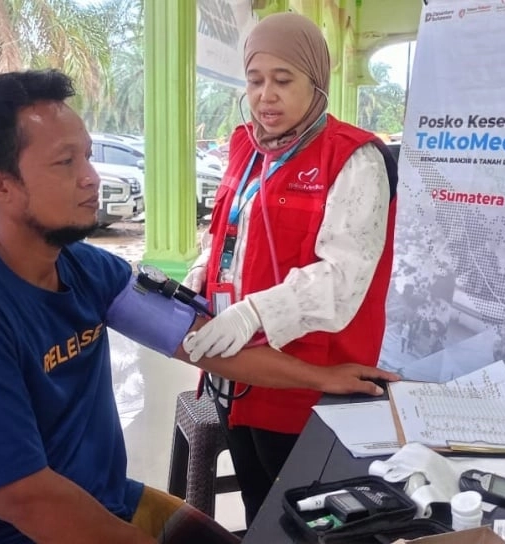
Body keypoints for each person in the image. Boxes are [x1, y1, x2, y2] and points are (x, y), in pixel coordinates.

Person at [0, 69, 399, 544]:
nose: (92, 177)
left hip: (104, 498)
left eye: (87, 155)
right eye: (67, 162)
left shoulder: (86, 268)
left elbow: (197, 341)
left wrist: (321, 377)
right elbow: (26, 499)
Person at [181, 13, 398, 527]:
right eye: (255, 81)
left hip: (311, 375)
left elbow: (343, 277)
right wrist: (199, 275)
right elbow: (224, 233)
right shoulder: (244, 146)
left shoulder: (354, 158)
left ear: (315, 83)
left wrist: (254, 311)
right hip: (238, 368)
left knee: (308, 518)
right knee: (259, 505)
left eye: (283, 81)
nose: (266, 96)